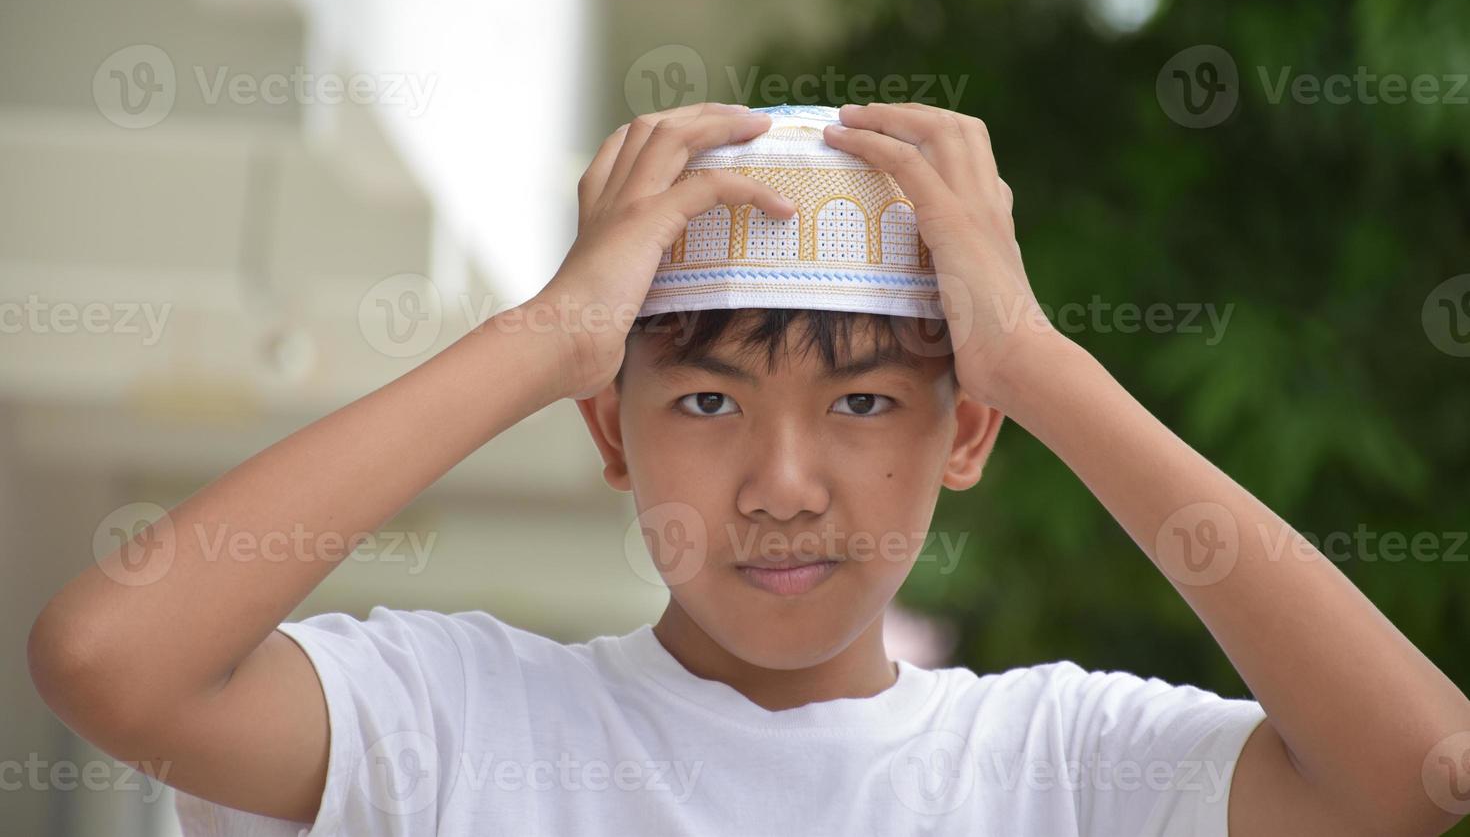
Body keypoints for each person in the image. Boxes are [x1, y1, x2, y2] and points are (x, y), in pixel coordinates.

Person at [27, 102, 1470, 836]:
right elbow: (112, 660)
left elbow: (1419, 781)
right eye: (707, 400)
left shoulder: (1055, 768)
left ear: (962, 434)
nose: (783, 482)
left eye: (860, 401)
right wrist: (544, 337)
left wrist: (1034, 362)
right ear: (611, 431)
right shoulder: (450, 723)